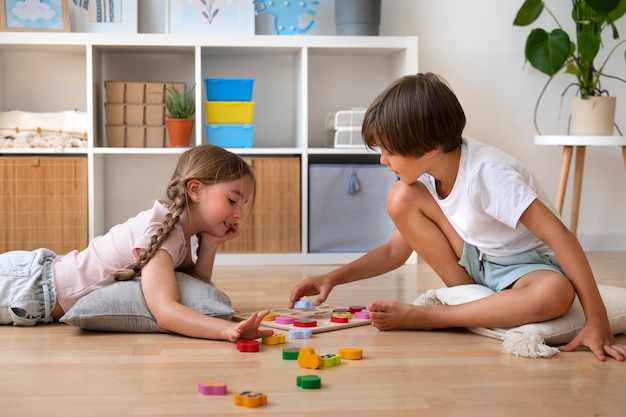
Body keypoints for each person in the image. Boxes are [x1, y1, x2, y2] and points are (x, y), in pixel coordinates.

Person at [290, 72, 626, 361]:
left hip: (528, 268)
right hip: (479, 261)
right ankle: (473, 303)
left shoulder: (489, 173)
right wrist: (332, 278)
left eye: (390, 152)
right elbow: (395, 251)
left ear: (429, 150)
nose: (383, 161)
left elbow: (560, 236)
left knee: (555, 294)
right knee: (400, 197)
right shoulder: (423, 174)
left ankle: (432, 316)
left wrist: (596, 319)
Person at [1, 144, 274, 342]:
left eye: (243, 204)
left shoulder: (179, 232)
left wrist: (211, 244)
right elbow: (165, 311)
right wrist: (227, 331)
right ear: (195, 189)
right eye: (232, 200)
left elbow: (196, 289)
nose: (239, 213)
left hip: (35, 287)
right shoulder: (163, 230)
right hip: (28, 283)